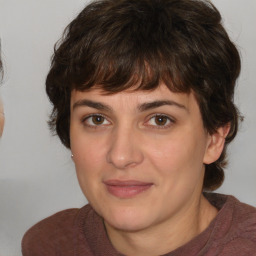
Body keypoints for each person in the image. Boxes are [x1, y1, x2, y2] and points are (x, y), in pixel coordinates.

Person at [22, 0, 256, 255]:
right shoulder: (48, 244)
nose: (121, 156)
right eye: (97, 119)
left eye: (159, 120)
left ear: (213, 139)